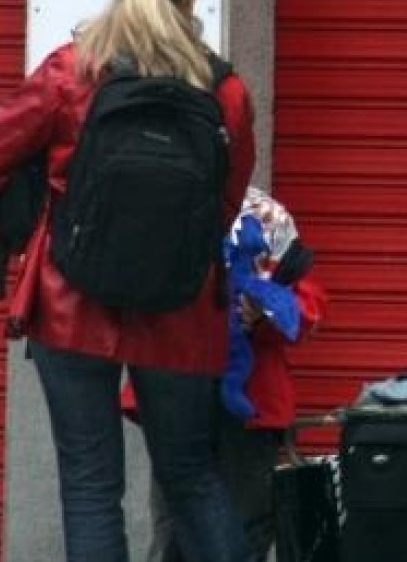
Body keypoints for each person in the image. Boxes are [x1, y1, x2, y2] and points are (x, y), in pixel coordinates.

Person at [0, 0, 256, 562]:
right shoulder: (225, 91)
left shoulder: (72, 72)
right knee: (192, 477)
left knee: (91, 488)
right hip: (179, 310)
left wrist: (27, 226)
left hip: (72, 304)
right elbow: (226, 201)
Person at [122, 187, 328, 562]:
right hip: (183, 389)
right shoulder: (167, 202)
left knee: (238, 524)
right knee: (179, 528)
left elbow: (305, 308)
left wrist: (263, 313)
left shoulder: (264, 216)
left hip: (242, 402)